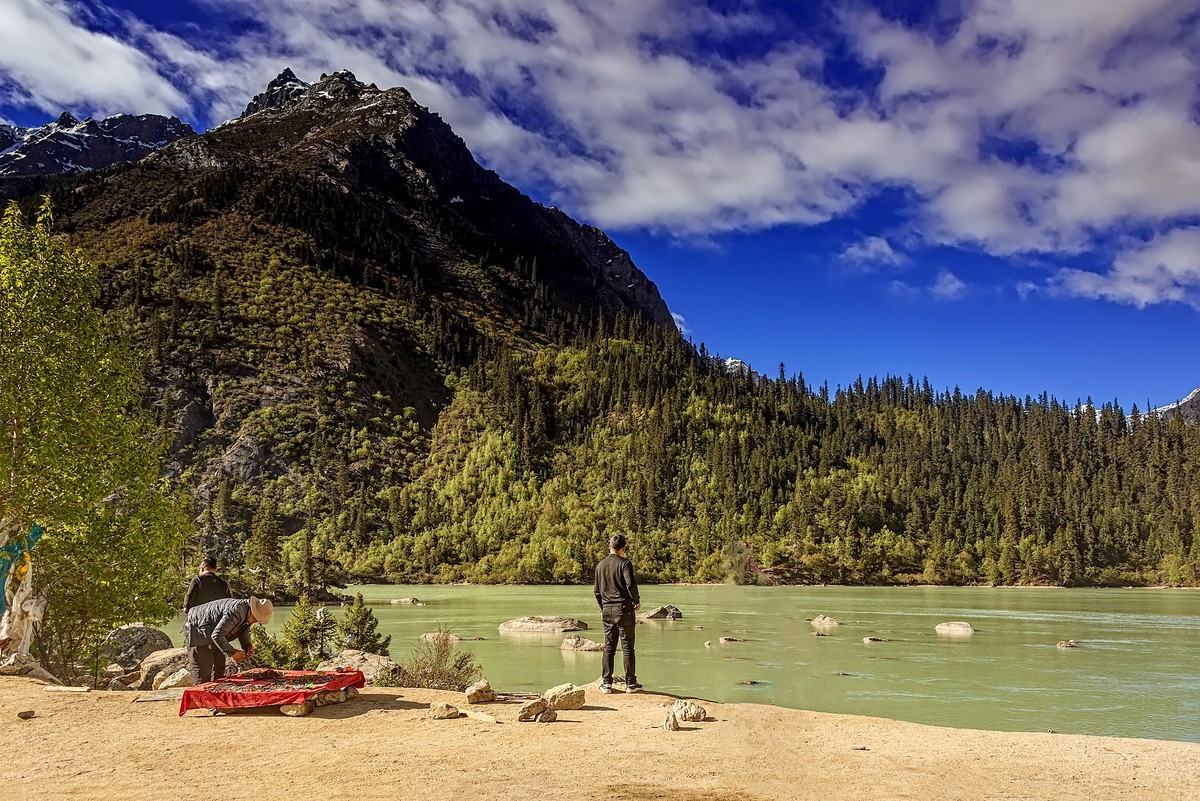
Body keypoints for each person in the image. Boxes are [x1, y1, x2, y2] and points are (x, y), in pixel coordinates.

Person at [184, 596, 273, 684]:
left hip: (213, 632)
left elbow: (243, 630)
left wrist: (247, 645)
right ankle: (199, 697)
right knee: (203, 674)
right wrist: (233, 652)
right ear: (253, 610)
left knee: (219, 669)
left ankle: (215, 697)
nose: (256, 621)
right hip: (197, 628)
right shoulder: (236, 610)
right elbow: (217, 635)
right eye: (256, 618)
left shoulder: (248, 613)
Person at [593, 534, 641, 693]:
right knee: (627, 648)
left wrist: (603, 607)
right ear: (623, 548)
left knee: (609, 647)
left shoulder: (600, 565)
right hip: (624, 610)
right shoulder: (625, 563)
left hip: (607, 610)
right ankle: (630, 684)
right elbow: (630, 583)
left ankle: (606, 683)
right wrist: (636, 600)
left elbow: (596, 591)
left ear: (609, 547)